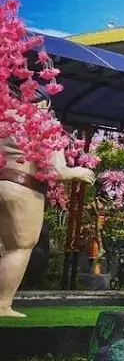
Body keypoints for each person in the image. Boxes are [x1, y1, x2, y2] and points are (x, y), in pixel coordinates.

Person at [0, 88, 96, 318]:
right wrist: (77, 172)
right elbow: (55, 169)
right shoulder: (43, 124)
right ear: (45, 104)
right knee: (19, 247)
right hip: (24, 187)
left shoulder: (4, 119)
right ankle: (2, 305)